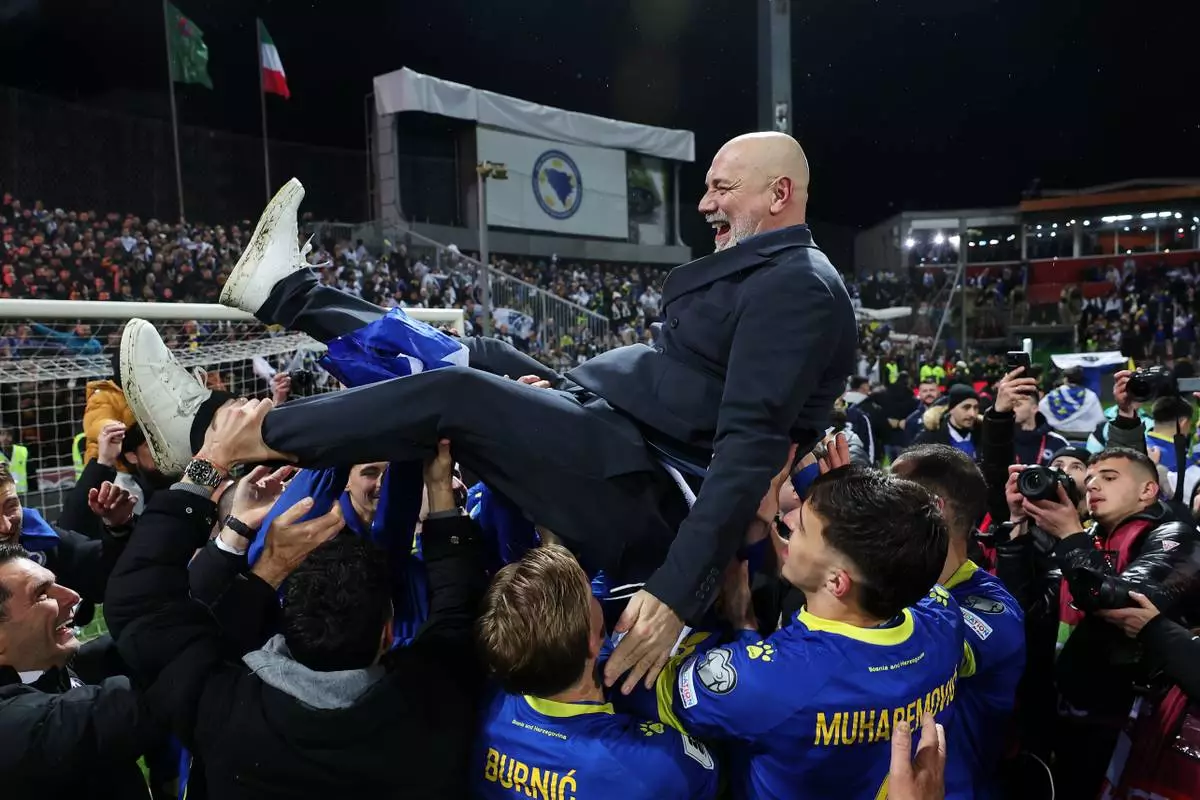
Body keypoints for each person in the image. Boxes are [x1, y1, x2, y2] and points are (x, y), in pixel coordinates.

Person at [120, 130, 858, 691]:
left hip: (649, 484)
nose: (705, 204)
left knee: (456, 396)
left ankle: (217, 431)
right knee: (471, 355)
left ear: (779, 194)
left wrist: (674, 593)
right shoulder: (775, 272)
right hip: (623, 426)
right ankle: (287, 294)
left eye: (722, 187)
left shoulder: (798, 287)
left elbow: (746, 451)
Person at [102, 406, 490, 799]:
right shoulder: (435, 700)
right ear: (388, 634)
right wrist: (440, 489)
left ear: (286, 621)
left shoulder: (222, 710)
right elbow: (458, 606)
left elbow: (139, 603)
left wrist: (213, 461)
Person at [638, 464, 963, 799]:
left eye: (803, 527)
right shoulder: (943, 616)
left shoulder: (772, 681)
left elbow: (649, 690)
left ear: (836, 582)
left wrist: (736, 628)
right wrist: (839, 498)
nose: (788, 521)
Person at [1010, 447, 1200, 798]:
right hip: (1060, 715)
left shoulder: (1176, 535)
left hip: (1129, 722)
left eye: (1109, 478)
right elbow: (1026, 612)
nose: (1093, 485)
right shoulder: (1085, 538)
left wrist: (1070, 537)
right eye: (1091, 478)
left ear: (1147, 490)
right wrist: (1018, 530)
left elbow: (1123, 601)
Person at [474, 544, 719, 798]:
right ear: (592, 642)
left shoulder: (493, 701)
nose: (595, 594)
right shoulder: (654, 764)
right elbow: (711, 776)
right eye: (590, 594)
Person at [892, 445, 1025, 799]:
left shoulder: (994, 610)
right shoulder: (892, 586)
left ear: (933, 509)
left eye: (891, 492)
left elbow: (919, 655)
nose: (878, 504)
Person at [0, 540, 163, 799]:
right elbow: (119, 710)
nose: (72, 596)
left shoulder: (44, 667)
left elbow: (124, 649)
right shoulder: (14, 728)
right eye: (42, 594)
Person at [1039, 366, 1105, 440]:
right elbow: (1099, 418)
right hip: (1085, 434)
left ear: (1065, 379)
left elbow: (1042, 408)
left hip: (1060, 433)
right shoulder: (1090, 395)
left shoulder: (1053, 395)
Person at [913, 384, 979, 458]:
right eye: (966, 407)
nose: (972, 414)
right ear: (951, 409)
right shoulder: (929, 440)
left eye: (975, 408)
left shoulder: (983, 433)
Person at [0, 426, 29, 495]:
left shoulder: (22, 451)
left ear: (13, 437)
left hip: (22, 494)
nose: (5, 437)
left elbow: (31, 473)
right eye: (2, 434)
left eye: (9, 434)